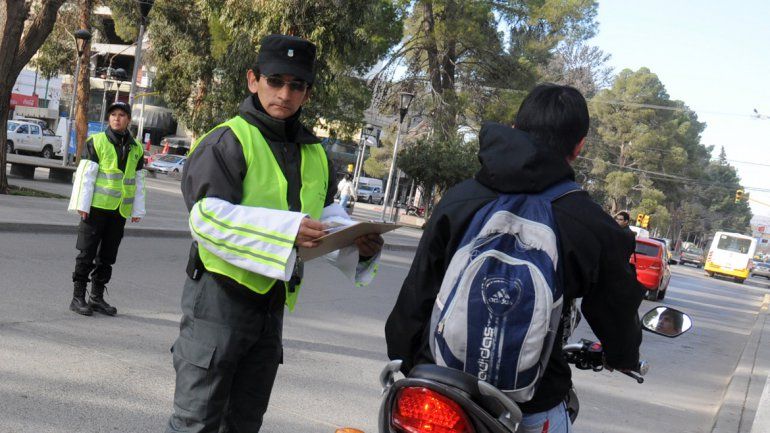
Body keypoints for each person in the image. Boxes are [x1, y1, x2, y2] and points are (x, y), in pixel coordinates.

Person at [385, 84, 643, 432]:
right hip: (529, 403)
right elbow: (616, 309)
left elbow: (418, 291)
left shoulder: (461, 199)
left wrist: (409, 362)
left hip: (439, 386)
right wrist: (623, 355)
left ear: (515, 128)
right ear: (579, 147)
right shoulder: (590, 223)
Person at [166, 34, 383, 433]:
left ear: (307, 93)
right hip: (217, 301)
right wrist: (288, 231)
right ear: (253, 80)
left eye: (296, 85)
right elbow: (206, 219)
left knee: (245, 423)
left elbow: (320, 218)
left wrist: (356, 240)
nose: (284, 93)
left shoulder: (316, 153)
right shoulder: (227, 140)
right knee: (195, 424)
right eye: (275, 80)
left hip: (271, 308)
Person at [67, 101, 146, 317]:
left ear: (128, 119)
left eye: (121, 115)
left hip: (119, 211)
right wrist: (82, 206)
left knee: (108, 256)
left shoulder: (136, 148)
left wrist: (137, 210)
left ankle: (96, 297)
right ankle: (78, 297)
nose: (117, 118)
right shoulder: (97, 142)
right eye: (113, 115)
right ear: (108, 118)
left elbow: (138, 181)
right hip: (95, 209)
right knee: (87, 253)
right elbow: (86, 177)